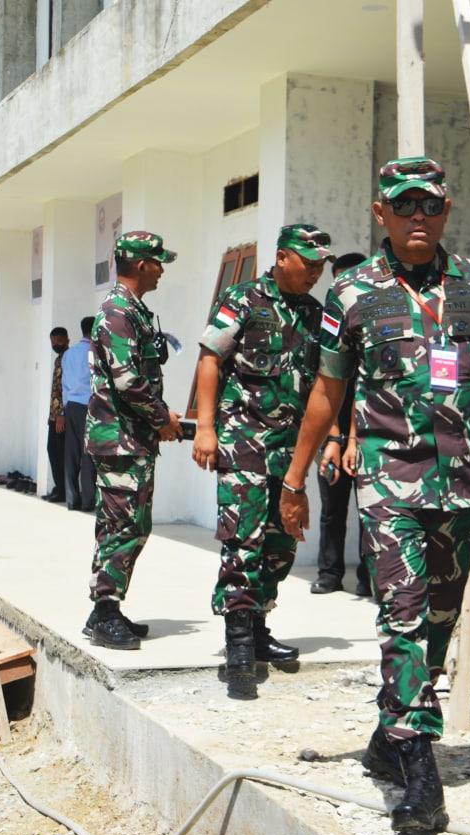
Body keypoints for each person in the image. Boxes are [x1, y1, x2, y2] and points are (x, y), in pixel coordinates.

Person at [279, 157, 470, 835]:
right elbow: (327, 391)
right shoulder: (351, 294)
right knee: (403, 611)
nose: (417, 215)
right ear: (381, 215)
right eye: (404, 205)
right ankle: (419, 774)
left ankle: (387, 734)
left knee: (438, 622)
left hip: (461, 486)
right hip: (387, 482)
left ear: (447, 209)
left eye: (429, 204)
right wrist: (294, 476)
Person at [191, 224, 334, 680]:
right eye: (308, 263)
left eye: (321, 266)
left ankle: (257, 628)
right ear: (282, 257)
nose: (316, 272)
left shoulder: (315, 314)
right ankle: (237, 643)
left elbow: (327, 384)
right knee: (242, 542)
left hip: (290, 453)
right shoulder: (244, 299)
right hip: (242, 443)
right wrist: (206, 427)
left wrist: (331, 440)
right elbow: (211, 359)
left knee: (279, 543)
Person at [82, 231, 184, 651]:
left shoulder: (133, 310)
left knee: (128, 525)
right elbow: (127, 381)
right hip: (120, 439)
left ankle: (106, 607)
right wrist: (163, 418)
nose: (162, 271)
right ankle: (105, 612)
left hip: (131, 439)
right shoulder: (119, 312)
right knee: (123, 526)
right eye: (159, 263)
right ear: (142, 265)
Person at [310, 251, 369, 596]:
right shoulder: (327, 323)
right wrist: (334, 437)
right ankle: (329, 574)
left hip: (364, 434)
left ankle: (367, 578)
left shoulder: (378, 321)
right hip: (332, 435)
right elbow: (322, 387)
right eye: (340, 280)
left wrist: (354, 438)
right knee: (332, 510)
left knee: (369, 511)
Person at [62, 316, 97, 512]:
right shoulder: (94, 352)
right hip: (89, 405)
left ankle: (72, 499)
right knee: (88, 454)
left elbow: (65, 383)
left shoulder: (69, 353)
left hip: (72, 404)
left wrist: (66, 405)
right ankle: (88, 501)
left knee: (71, 453)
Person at [44, 327, 69, 503]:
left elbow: (65, 389)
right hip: (54, 416)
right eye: (53, 342)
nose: (55, 344)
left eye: (59, 341)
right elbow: (55, 390)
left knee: (59, 452)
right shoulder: (58, 359)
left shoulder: (68, 359)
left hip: (62, 416)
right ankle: (58, 487)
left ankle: (63, 490)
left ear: (67, 339)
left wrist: (61, 413)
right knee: (52, 450)